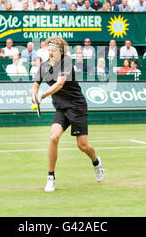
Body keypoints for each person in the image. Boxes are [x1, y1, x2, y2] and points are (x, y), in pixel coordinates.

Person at [30, 36, 104, 193]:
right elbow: (35, 85)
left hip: (77, 107)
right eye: (49, 49)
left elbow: (60, 83)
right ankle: (51, 178)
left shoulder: (67, 62)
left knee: (82, 146)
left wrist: (42, 96)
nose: (50, 52)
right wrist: (34, 95)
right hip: (61, 109)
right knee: (53, 137)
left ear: (61, 51)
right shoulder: (43, 67)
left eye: (53, 49)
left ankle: (96, 162)